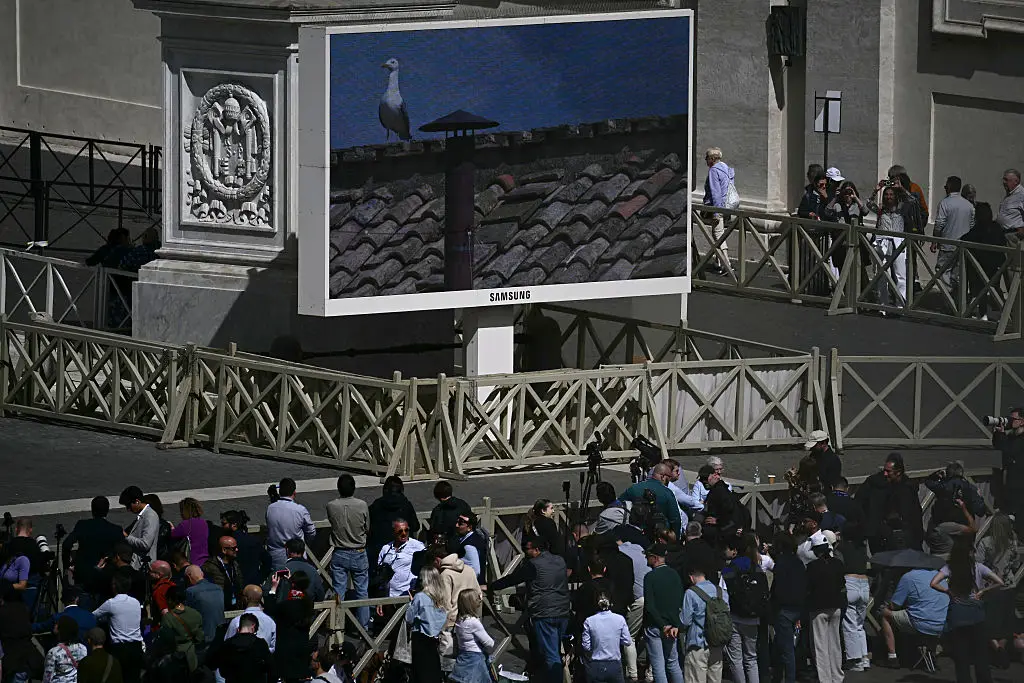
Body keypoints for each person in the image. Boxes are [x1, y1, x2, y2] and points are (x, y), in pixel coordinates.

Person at [483, 538, 570, 683]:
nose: (524, 552)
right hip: (563, 611)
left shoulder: (533, 565)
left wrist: (491, 586)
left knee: (550, 655)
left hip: (544, 613)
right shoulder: (560, 560)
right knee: (553, 650)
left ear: (536, 550)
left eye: (526, 549)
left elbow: (513, 579)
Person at [930, 533, 1003, 683]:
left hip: (958, 613)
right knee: (980, 654)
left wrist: (948, 591)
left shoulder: (949, 568)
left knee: (961, 656)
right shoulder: (978, 567)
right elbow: (999, 582)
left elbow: (933, 583)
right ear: (970, 552)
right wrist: (982, 591)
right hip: (976, 613)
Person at [879, 567, 949, 669]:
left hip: (922, 623)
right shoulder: (940, 575)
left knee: (885, 614)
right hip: (943, 624)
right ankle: (929, 652)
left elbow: (894, 605)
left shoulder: (909, 577)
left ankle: (892, 657)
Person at [326, 473, 370, 628]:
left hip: (340, 551)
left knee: (339, 591)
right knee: (362, 592)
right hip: (358, 551)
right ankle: (363, 627)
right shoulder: (362, 505)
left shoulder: (331, 505)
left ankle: (337, 625)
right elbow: (367, 527)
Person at [62, 496, 123, 599]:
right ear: (107, 511)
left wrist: (68, 565)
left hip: (84, 574)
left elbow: (66, 544)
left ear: (92, 510)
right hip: (105, 576)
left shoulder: (82, 525)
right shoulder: (115, 530)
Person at [805, 536, 845, 683]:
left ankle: (825, 679)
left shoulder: (812, 566)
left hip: (818, 607)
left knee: (820, 645)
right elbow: (842, 584)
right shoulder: (838, 564)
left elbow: (808, 587)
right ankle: (837, 676)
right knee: (835, 643)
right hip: (835, 606)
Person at [92, 572, 144, 683]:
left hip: (119, 649)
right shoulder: (136, 602)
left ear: (114, 586)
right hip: (136, 647)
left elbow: (93, 616)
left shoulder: (111, 603)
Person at [643, 542, 684, 683]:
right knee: (673, 663)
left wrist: (662, 625)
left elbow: (650, 606)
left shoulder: (650, 577)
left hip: (655, 625)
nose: (646, 560)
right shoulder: (675, 574)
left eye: (648, 557)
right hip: (672, 626)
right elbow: (680, 602)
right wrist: (674, 624)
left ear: (654, 558)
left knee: (658, 666)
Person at [680, 564, 727, 683]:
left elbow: (685, 621)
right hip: (717, 643)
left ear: (691, 577)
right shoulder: (721, 592)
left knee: (694, 678)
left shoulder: (691, 593)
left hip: (698, 644)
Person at [768, 533, 804, 683]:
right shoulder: (798, 562)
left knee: (786, 650)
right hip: (798, 608)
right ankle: (778, 676)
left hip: (784, 609)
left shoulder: (781, 563)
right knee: (782, 646)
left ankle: (787, 678)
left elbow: (778, 589)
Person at [960, 202, 1006, 321]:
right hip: (996, 265)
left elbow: (966, 238)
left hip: (981, 264)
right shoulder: (997, 228)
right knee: (995, 288)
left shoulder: (978, 229)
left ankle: (983, 312)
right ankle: (1005, 314)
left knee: (980, 288)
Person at [367, 476, 420, 569]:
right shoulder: (406, 505)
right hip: (402, 552)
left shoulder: (376, 505)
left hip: (379, 550)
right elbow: (415, 526)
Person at [406, 566, 447, 683]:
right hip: (435, 639)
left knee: (420, 673)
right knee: (433, 671)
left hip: (420, 638)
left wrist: (412, 602)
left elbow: (408, 618)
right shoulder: (441, 597)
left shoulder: (420, 597)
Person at [931, 176, 975, 287]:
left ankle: (948, 298)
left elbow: (939, 224)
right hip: (962, 245)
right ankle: (955, 299)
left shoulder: (945, 203)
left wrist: (934, 240)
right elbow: (971, 225)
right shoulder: (969, 205)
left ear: (949, 187)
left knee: (942, 271)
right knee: (957, 274)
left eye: (946, 186)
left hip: (947, 244)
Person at [265, 478, 316, 570]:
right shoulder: (300, 510)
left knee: (278, 582)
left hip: (276, 556)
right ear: (294, 493)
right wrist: (304, 544)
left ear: (279, 492)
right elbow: (311, 532)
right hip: (296, 555)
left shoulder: (270, 508)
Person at [210, 612, 275, 683]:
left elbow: (217, 665)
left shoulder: (227, 643)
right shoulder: (260, 644)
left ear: (238, 628)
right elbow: (270, 666)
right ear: (253, 627)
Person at [155, 585, 205, 677]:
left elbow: (165, 641)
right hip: (191, 657)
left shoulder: (168, 618)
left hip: (175, 659)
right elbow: (199, 637)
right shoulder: (195, 614)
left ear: (170, 599)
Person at [581, 592, 630, 683]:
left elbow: (586, 646)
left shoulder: (589, 621)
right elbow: (627, 641)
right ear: (610, 603)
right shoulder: (620, 619)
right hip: (614, 663)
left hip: (596, 664)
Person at [702, 147, 737, 275]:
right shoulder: (727, 169)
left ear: (712, 159)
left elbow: (716, 193)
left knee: (718, 235)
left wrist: (716, 212)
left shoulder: (713, 171)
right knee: (717, 232)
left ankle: (727, 264)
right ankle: (718, 263)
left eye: (706, 158)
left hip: (719, 207)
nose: (705, 161)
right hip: (728, 206)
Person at [450, 589, 495, 683]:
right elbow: (489, 643)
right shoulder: (473, 622)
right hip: (475, 658)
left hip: (463, 655)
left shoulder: (459, 620)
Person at [992, 407, 1024, 537]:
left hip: (1019, 485)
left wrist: (1002, 436)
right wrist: (998, 434)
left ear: (1022, 421)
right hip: (1009, 483)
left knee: (1018, 517)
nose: (1010, 421)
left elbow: (1010, 453)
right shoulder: (1012, 436)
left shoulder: (1021, 439)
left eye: (1013, 419)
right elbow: (1000, 448)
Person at [377, 519, 426, 598]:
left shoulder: (417, 546)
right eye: (400, 531)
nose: (404, 534)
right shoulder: (385, 548)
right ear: (393, 532)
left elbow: (426, 569)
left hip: (407, 596)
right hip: (388, 595)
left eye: (406, 530)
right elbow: (380, 575)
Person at [224, 585, 277, 653]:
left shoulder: (236, 621)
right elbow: (272, 648)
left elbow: (227, 645)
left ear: (245, 599)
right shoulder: (271, 622)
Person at [118, 486, 159, 570]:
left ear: (137, 501)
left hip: (143, 566)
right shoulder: (143, 515)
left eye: (129, 506)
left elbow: (145, 544)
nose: (128, 509)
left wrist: (126, 537)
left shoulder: (150, 516)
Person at [183, 565, 225, 645]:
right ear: (202, 574)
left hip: (203, 638)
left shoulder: (190, 591)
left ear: (188, 577)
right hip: (220, 636)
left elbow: (188, 617)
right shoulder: (218, 588)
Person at [41, 615, 87, 683]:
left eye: (57, 624)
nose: (55, 625)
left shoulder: (53, 652)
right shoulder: (82, 648)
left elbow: (47, 678)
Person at [203, 535, 243, 610]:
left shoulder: (235, 564)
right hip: (220, 606)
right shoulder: (210, 567)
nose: (237, 549)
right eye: (233, 548)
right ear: (224, 550)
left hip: (236, 605)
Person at [170, 497, 209, 567]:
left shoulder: (186, 524)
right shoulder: (203, 522)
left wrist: (171, 527)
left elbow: (172, 535)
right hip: (204, 559)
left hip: (192, 560)